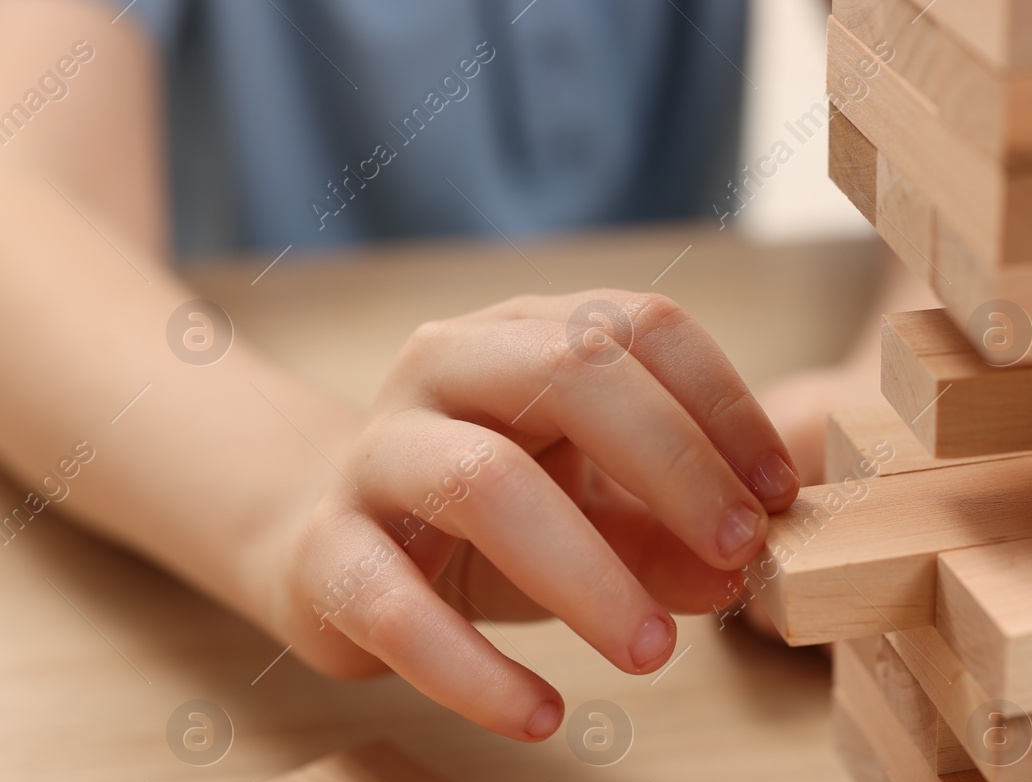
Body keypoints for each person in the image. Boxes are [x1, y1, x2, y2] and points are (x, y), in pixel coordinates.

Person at [0, 0, 900, 742]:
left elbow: (992, 91)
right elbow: (25, 204)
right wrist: (297, 491)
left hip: (676, 504)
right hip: (244, 429)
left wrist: (902, 374)